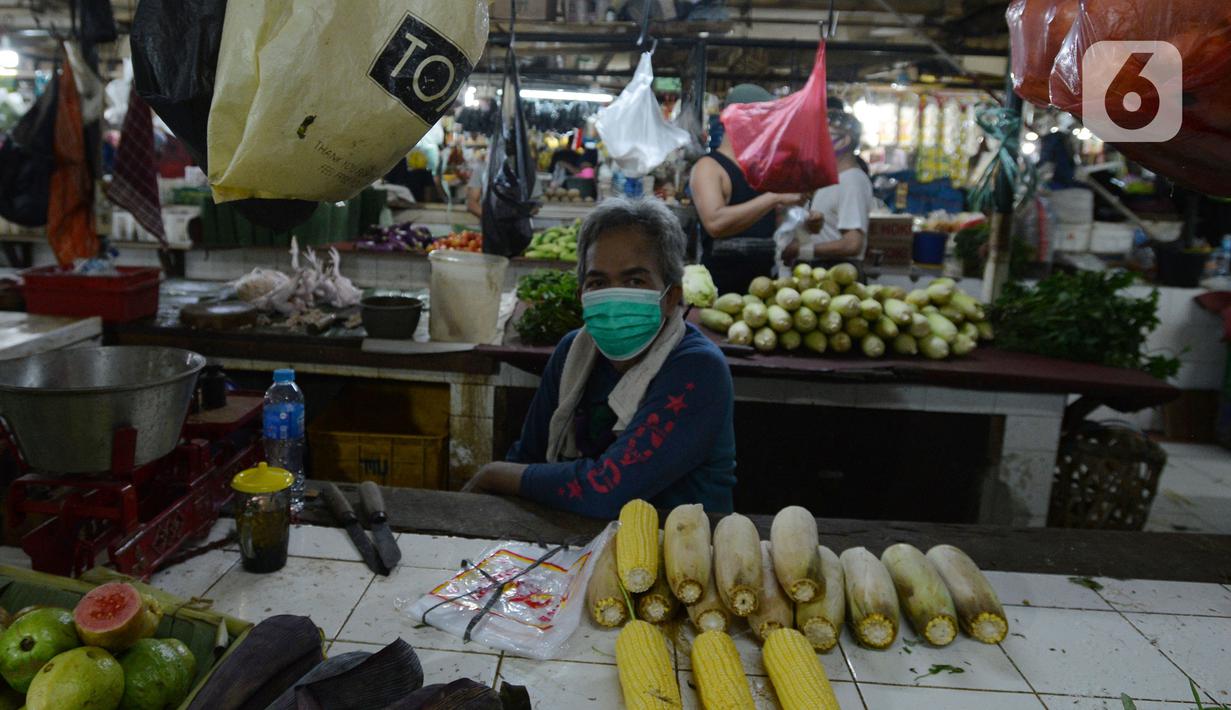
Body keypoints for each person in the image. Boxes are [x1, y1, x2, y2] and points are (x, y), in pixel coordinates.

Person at [462, 198, 737, 518]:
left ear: (671, 296)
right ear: (583, 296)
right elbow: (527, 456)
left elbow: (607, 491)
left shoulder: (697, 369)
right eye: (598, 282)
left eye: (635, 281)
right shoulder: (571, 353)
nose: (615, 294)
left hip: (682, 552)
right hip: (571, 543)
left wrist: (494, 474)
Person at [690, 84, 820, 294]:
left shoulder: (763, 171)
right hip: (720, 292)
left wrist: (802, 221)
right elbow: (715, 223)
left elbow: (775, 226)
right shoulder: (709, 167)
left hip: (764, 290)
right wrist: (774, 197)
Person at [781, 109, 874, 271]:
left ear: (844, 141)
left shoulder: (851, 181)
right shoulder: (832, 179)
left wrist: (801, 250)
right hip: (820, 271)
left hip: (838, 274)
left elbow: (852, 244)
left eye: (824, 135)